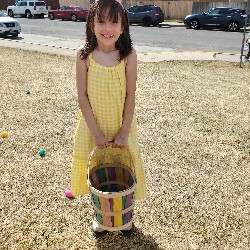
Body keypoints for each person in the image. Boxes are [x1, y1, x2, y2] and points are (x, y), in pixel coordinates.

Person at [65, 0, 147, 237]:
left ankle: (125, 218)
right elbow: (82, 96)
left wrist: (124, 130)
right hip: (93, 127)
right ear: (91, 24)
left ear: (123, 27)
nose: (107, 28)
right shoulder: (83, 56)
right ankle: (100, 217)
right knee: (97, 173)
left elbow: (131, 95)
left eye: (114, 21)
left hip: (122, 127)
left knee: (124, 171)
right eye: (101, 20)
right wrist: (95, 132)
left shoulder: (128, 55)